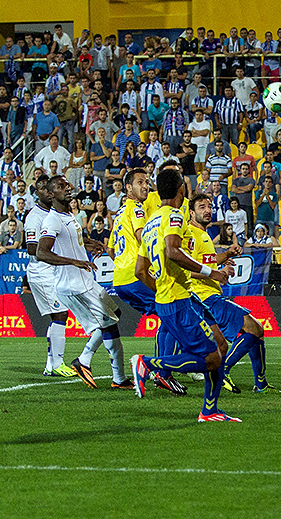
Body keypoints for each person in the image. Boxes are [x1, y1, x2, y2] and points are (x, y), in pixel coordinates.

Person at [130, 169, 240, 422]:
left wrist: (161, 289)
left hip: (182, 296)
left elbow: (140, 271)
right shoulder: (174, 216)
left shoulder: (150, 223)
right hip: (177, 300)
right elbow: (172, 251)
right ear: (182, 189)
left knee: (220, 346)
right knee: (211, 359)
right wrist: (211, 272)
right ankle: (148, 364)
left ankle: (210, 411)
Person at [36, 175, 131, 390]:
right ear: (51, 194)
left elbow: (71, 241)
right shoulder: (52, 220)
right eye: (61, 186)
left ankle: (111, 374)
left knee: (113, 316)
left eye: (67, 184)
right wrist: (73, 261)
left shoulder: (69, 215)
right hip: (73, 285)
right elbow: (41, 252)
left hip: (85, 281)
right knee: (108, 323)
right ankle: (90, 363)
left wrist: (88, 243)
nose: (67, 188)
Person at [187, 194, 281, 394]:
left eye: (209, 206)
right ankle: (222, 371)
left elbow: (207, 262)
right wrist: (216, 273)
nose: (207, 210)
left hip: (210, 295)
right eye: (201, 207)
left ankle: (261, 384)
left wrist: (227, 255)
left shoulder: (203, 235)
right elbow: (185, 269)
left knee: (255, 332)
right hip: (205, 298)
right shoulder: (191, 235)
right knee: (255, 329)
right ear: (191, 213)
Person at [105, 168, 185, 395]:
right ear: (128, 188)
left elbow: (110, 249)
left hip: (121, 280)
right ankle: (161, 371)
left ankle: (163, 369)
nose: (145, 186)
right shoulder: (137, 209)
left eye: (147, 182)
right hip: (135, 275)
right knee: (172, 312)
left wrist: (124, 263)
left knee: (166, 315)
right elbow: (143, 236)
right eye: (140, 182)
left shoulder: (120, 213)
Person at [23, 175, 76, 378]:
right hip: (42, 271)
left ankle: (51, 365)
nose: (48, 192)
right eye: (43, 189)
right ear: (37, 193)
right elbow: (31, 248)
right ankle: (57, 363)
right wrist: (54, 249)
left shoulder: (55, 213)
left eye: (49, 188)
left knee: (60, 315)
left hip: (54, 270)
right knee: (60, 314)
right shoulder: (34, 217)